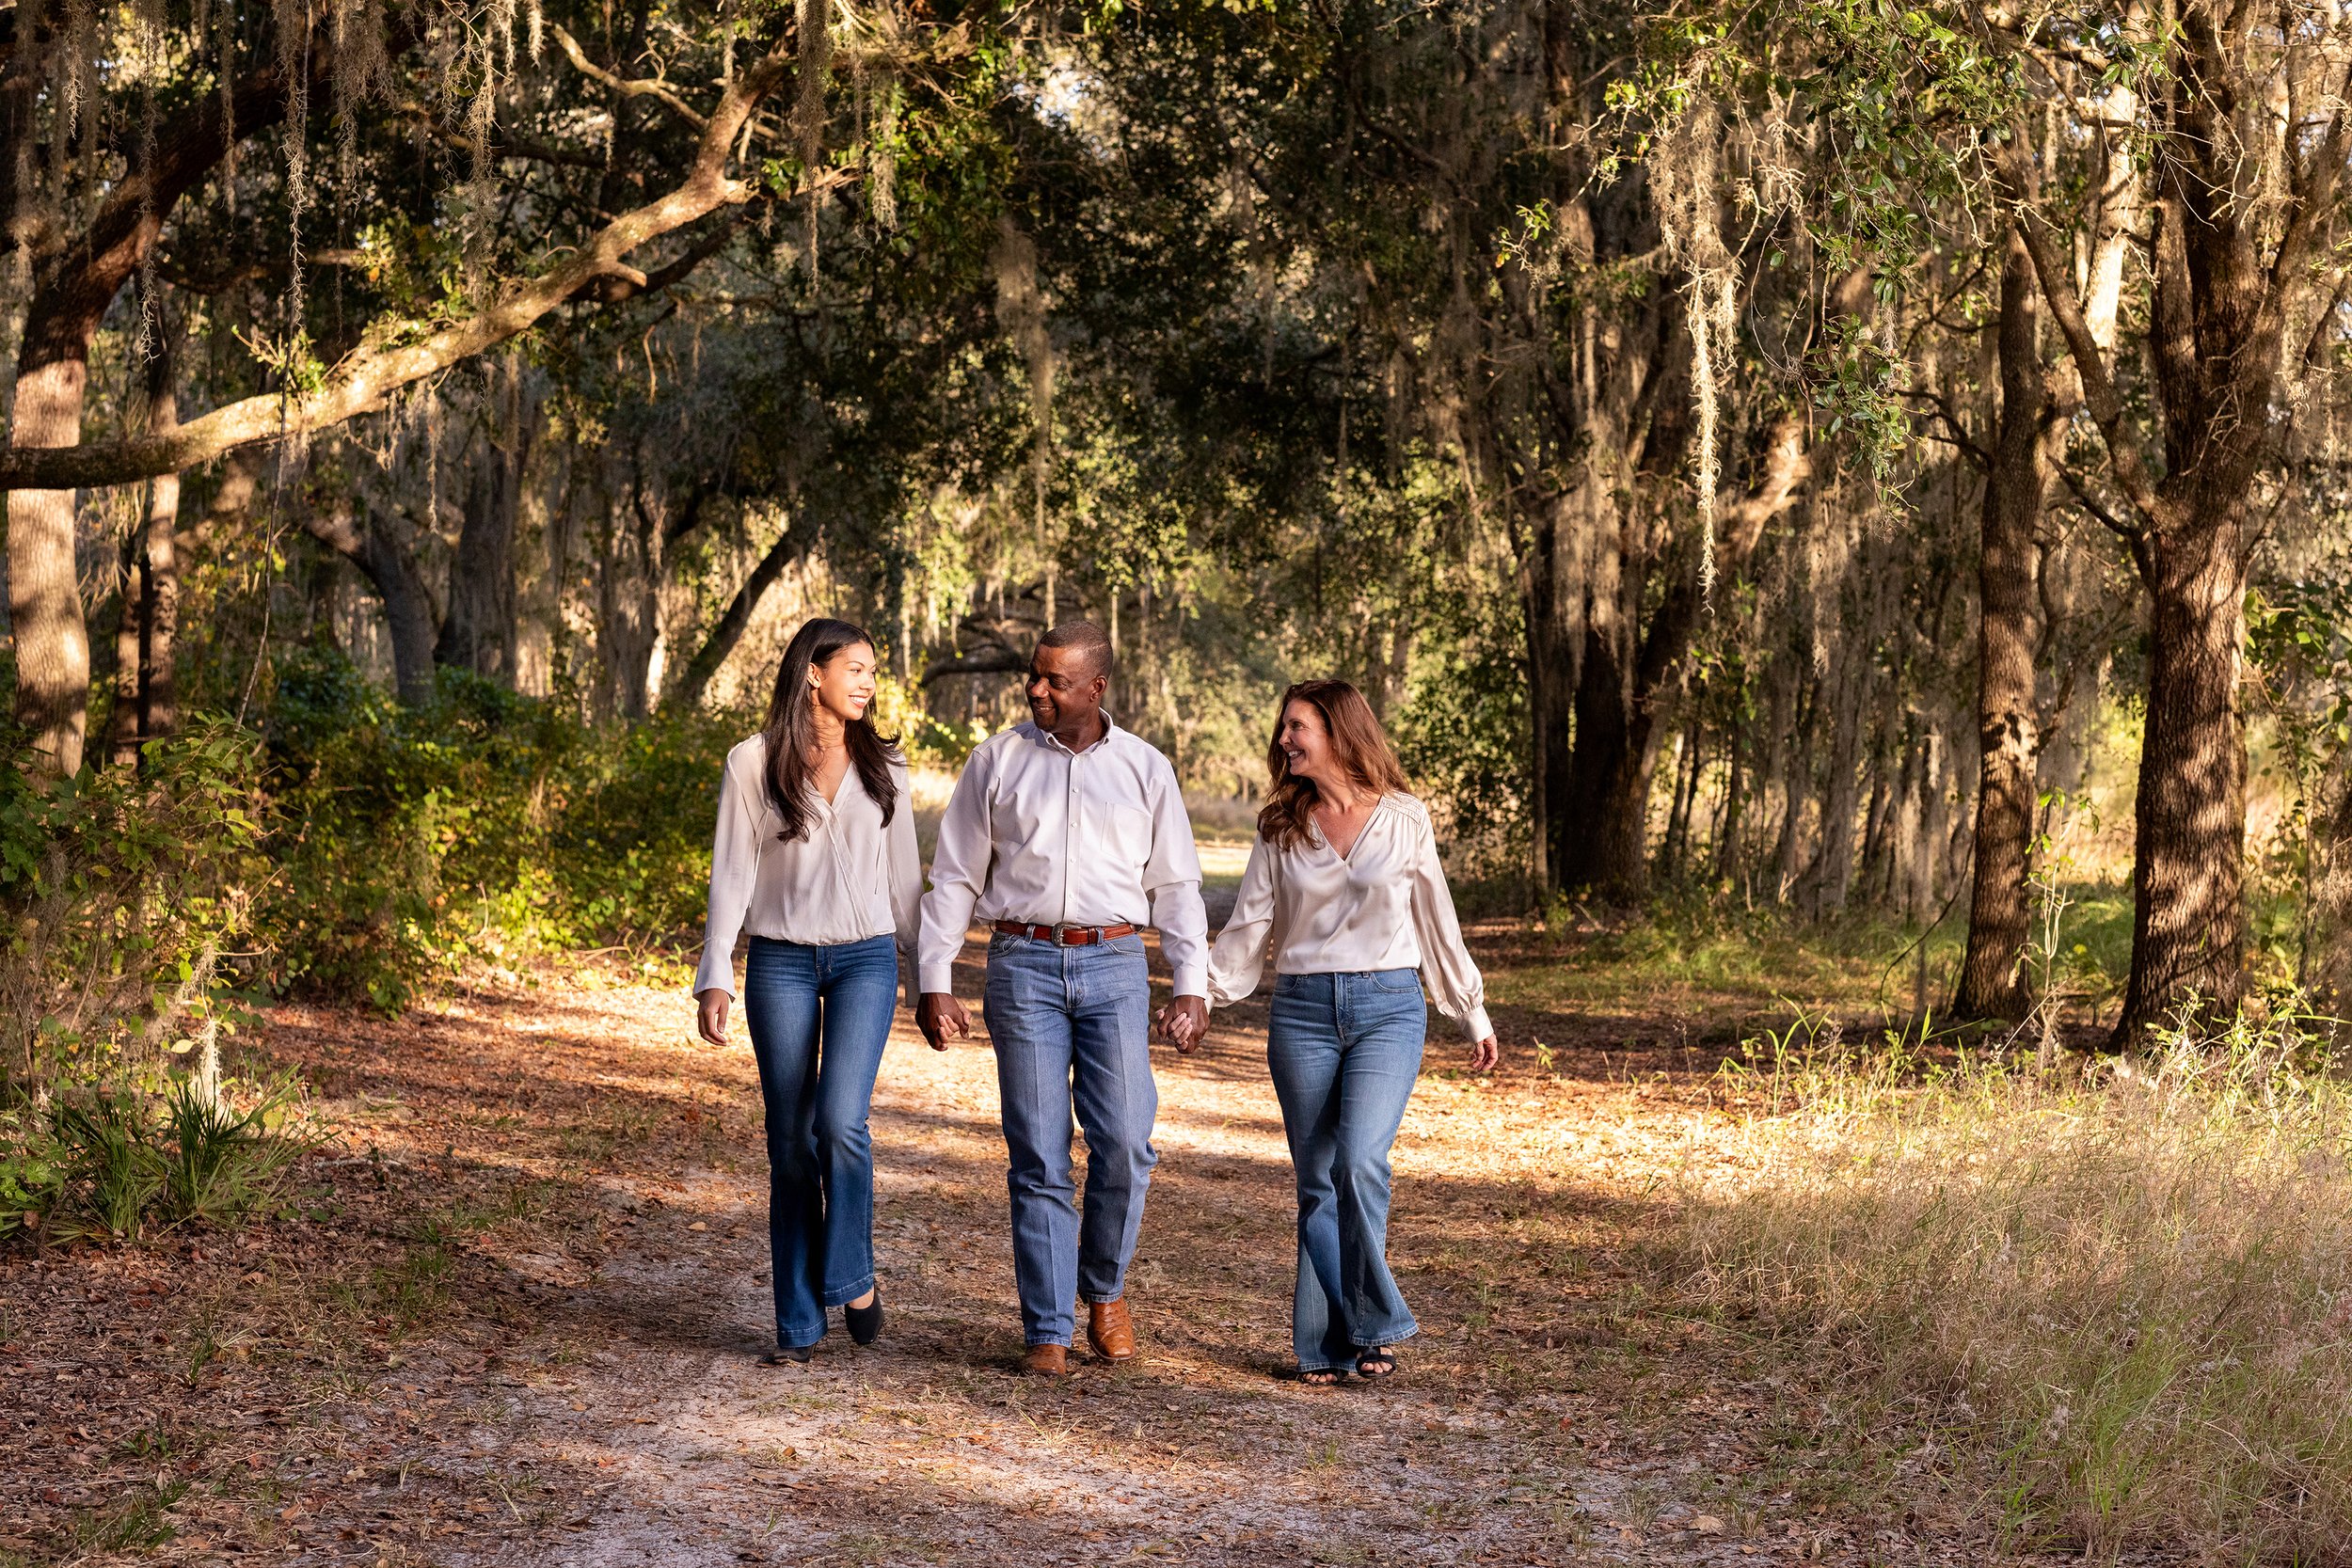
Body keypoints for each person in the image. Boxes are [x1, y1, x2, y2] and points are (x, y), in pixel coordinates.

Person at [916, 622, 1210, 1377]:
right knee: (1039, 1150)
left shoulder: (1146, 768)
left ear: (1096, 688)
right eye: (1035, 676)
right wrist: (935, 977)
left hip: (1114, 962)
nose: (1037, 689)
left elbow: (1175, 887)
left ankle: (1103, 1288)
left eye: (1054, 679)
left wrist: (1192, 985)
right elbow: (954, 876)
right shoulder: (997, 761)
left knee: (1126, 1143)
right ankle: (1047, 1326)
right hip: (1022, 964)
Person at [1206, 679, 1500, 1386]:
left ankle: (1370, 1321)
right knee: (1316, 1182)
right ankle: (1325, 1343)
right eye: (1284, 728)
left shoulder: (1403, 817)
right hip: (1302, 1009)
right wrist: (1202, 996)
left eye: (1297, 726)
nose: (1284, 739)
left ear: (1337, 732)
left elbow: (1436, 917)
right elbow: (1249, 923)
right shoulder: (1282, 824)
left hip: (1389, 1006)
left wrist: (1470, 1010)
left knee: (1358, 1161)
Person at [694, 618, 922, 1365]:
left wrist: (933, 976)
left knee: (840, 1123)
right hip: (782, 963)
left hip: (865, 961)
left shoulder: (885, 763)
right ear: (812, 673)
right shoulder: (753, 762)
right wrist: (716, 972)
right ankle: (797, 1324)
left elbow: (905, 880)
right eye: (855, 668)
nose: (868, 683)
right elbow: (731, 874)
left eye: (872, 672)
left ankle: (852, 1275)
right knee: (789, 1143)